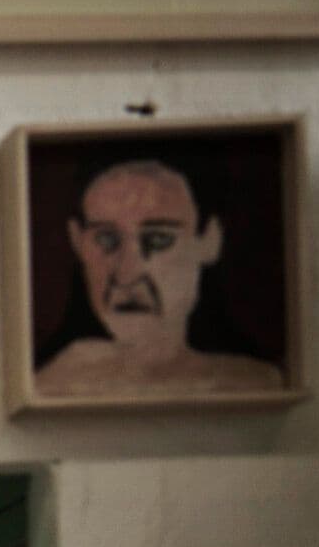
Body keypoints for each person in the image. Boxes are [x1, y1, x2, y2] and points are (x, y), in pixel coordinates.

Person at [34, 154, 285, 399]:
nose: (126, 275)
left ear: (210, 240)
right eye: (106, 239)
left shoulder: (254, 382)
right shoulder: (49, 383)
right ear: (77, 241)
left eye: (158, 239)